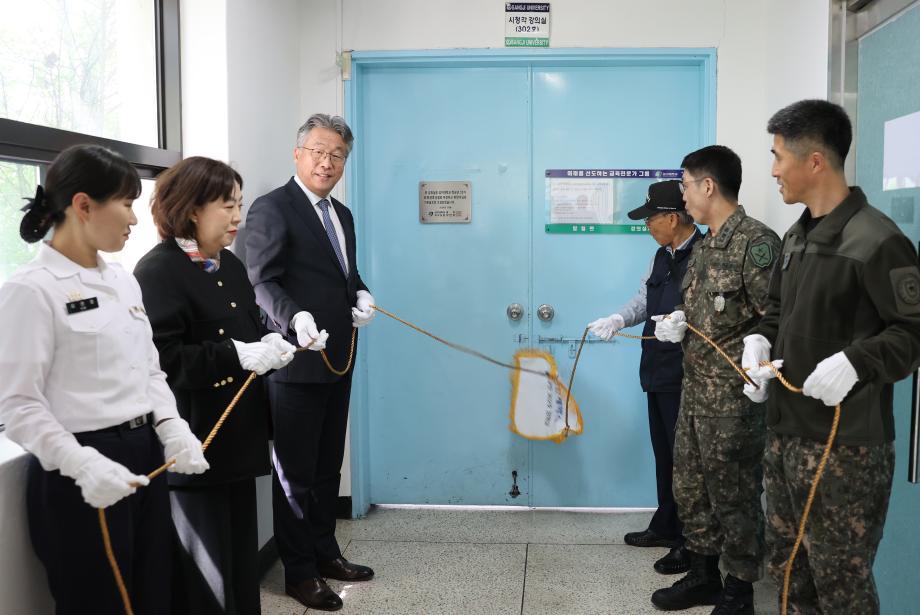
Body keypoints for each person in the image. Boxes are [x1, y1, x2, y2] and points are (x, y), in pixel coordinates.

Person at [0, 144, 209, 615]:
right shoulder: (31, 290)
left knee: (155, 592)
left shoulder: (121, 279)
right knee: (102, 603)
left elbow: (148, 367)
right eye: (126, 203)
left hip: (141, 455)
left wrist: (172, 427)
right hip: (82, 466)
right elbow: (17, 405)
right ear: (83, 205)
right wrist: (81, 464)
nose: (134, 219)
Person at [743, 99, 920, 615]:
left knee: (841, 585)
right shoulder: (798, 237)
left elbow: (911, 333)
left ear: (814, 161)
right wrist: (760, 344)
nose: (773, 169)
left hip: (845, 451)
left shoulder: (878, 240)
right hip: (786, 435)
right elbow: (776, 313)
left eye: (778, 156)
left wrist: (859, 361)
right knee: (788, 575)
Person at [133, 157, 295, 614]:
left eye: (239, 205)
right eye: (227, 206)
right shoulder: (158, 271)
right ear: (190, 210)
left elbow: (247, 326)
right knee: (206, 579)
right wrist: (236, 355)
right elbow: (161, 359)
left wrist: (273, 344)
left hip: (238, 442)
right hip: (196, 441)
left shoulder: (227, 265)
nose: (237, 218)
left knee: (241, 566)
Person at [245, 113, 376, 611]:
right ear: (298, 154)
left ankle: (325, 552)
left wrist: (360, 293)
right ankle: (298, 572)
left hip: (338, 357)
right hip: (295, 363)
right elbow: (261, 279)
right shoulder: (271, 208)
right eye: (318, 151)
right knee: (295, 473)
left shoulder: (340, 214)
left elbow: (345, 273)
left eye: (337, 154)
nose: (327, 161)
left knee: (326, 467)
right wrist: (291, 317)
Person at [651, 145, 780, 614]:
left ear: (708, 186)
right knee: (691, 486)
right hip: (694, 391)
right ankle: (704, 573)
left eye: (685, 185)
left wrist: (762, 349)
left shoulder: (756, 243)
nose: (682, 196)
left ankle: (739, 591)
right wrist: (680, 319)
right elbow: (710, 308)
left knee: (735, 493)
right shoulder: (704, 246)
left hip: (733, 402)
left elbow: (776, 316)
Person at [587, 180, 701, 575]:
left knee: (687, 464)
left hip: (689, 376)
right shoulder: (660, 256)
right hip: (657, 370)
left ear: (673, 217)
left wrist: (689, 324)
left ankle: (690, 543)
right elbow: (643, 299)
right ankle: (667, 525)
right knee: (665, 455)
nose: (647, 225)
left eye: (651, 218)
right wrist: (618, 318)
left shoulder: (704, 256)